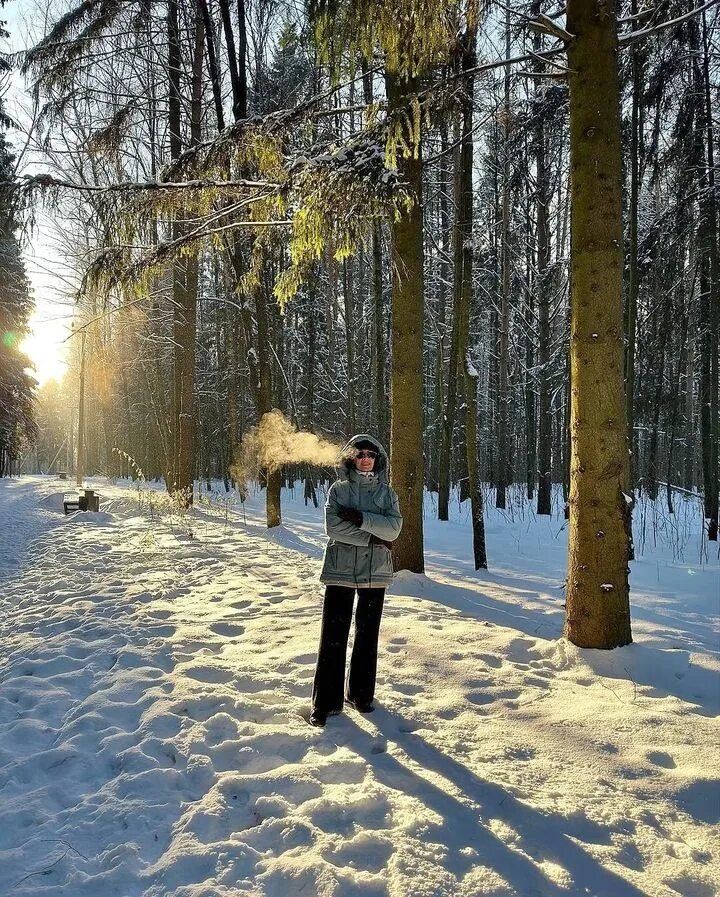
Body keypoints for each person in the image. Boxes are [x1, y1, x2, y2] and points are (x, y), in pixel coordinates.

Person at [309, 434, 403, 728]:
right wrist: (375, 536)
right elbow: (333, 528)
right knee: (333, 637)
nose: (365, 458)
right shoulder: (338, 490)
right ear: (351, 458)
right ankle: (325, 703)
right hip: (339, 570)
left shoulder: (388, 494)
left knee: (367, 635)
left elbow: (395, 529)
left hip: (376, 572)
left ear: (378, 459)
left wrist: (361, 520)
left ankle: (361, 695)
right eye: (360, 453)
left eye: (371, 454)